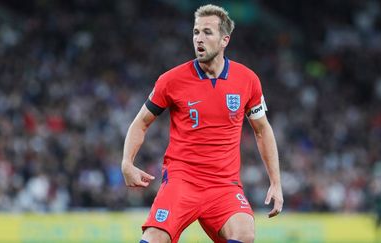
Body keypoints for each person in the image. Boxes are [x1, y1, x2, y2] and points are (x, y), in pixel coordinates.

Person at [121, 4, 283, 243]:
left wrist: (276, 182)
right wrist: (127, 162)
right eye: (196, 32)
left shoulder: (247, 80)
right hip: (182, 180)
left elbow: (262, 130)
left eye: (207, 32)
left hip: (224, 185)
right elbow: (140, 123)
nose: (199, 38)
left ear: (224, 40)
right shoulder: (171, 80)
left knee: (245, 234)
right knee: (154, 239)